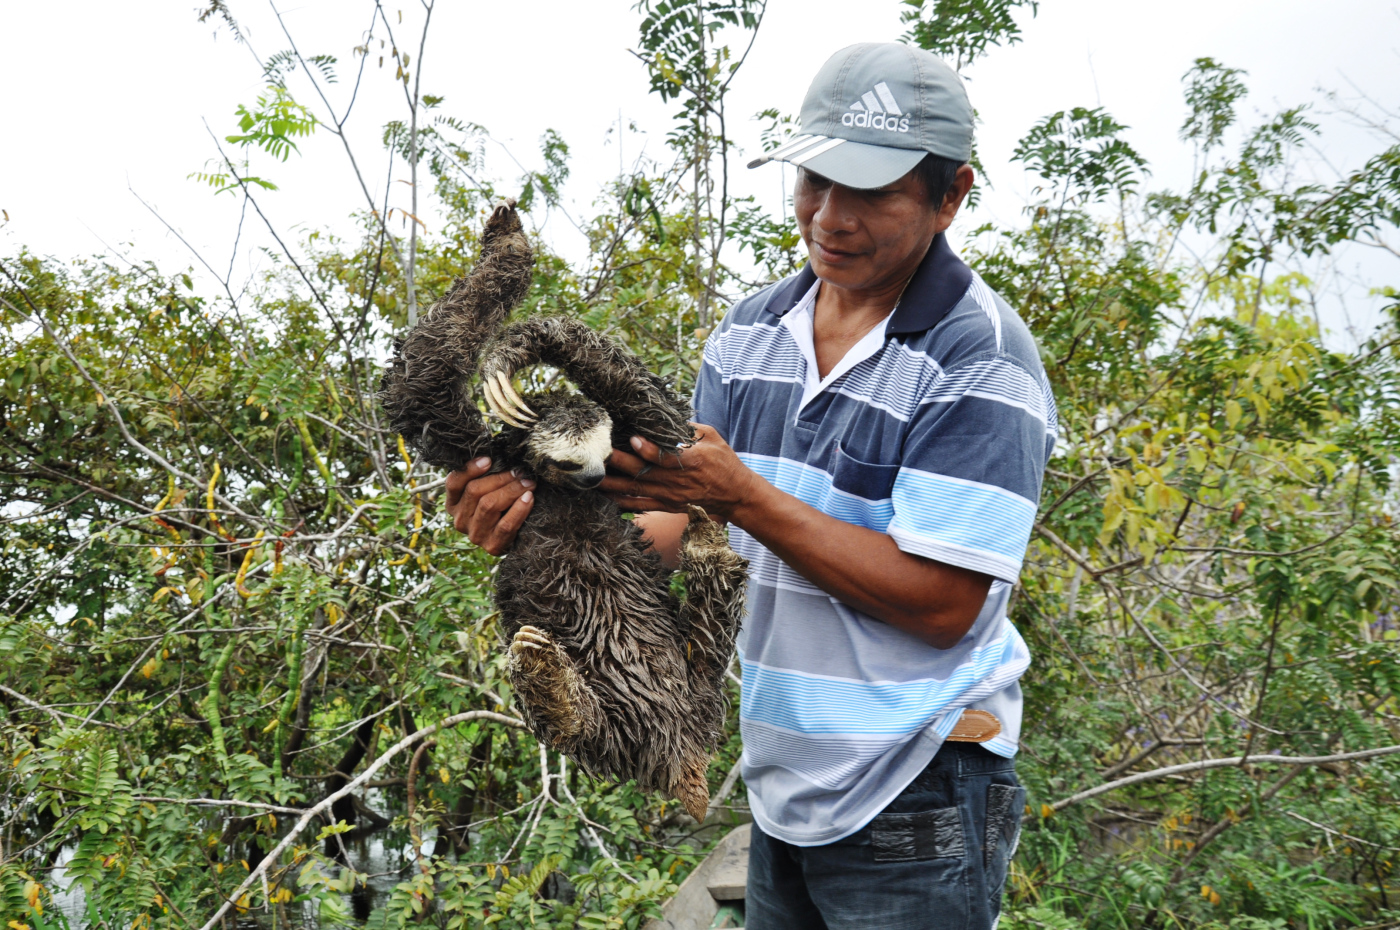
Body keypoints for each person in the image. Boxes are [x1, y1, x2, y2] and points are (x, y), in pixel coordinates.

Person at [445, 42, 1056, 930]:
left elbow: (944, 606)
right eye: (815, 180)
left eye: (872, 191)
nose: (830, 217)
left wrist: (744, 498)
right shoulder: (751, 331)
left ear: (951, 196)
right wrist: (542, 525)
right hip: (783, 787)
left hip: (918, 785)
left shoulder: (979, 360)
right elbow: (674, 526)